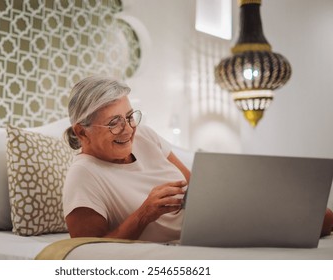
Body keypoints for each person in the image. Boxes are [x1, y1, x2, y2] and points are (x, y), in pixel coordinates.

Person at [62, 75, 333, 242]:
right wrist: (144, 214)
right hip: (197, 238)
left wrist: (236, 194)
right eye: (114, 123)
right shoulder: (84, 175)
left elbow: (196, 184)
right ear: (81, 131)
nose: (129, 129)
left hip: (214, 220)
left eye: (130, 116)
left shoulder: (144, 136)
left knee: (323, 216)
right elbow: (88, 253)